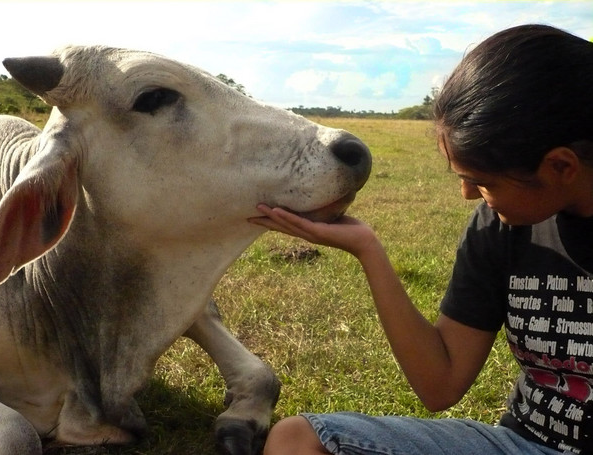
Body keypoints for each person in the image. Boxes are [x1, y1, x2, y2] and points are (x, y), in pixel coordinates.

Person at [248, 24, 593, 455]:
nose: (467, 195)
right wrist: (367, 249)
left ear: (561, 167)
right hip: (524, 445)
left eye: (480, 181)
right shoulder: (499, 227)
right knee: (299, 439)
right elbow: (440, 383)